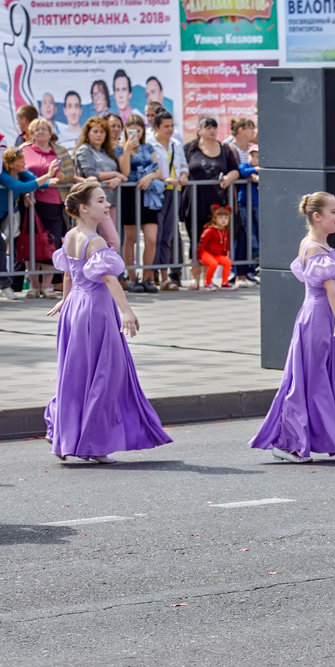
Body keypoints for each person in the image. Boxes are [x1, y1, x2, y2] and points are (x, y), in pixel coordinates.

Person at [249, 192, 335, 463]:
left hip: (324, 318)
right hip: (321, 320)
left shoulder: (315, 245)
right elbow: (329, 287)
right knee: (313, 382)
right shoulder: (313, 247)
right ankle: (289, 444)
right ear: (317, 216)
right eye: (334, 212)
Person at [44, 182, 172, 463]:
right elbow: (108, 278)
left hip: (76, 308)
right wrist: (126, 311)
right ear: (84, 208)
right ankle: (94, 442)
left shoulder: (71, 236)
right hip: (95, 311)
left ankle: (72, 433)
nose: (107, 205)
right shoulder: (95, 241)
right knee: (105, 376)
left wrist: (65, 301)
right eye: (101, 201)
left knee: (77, 375)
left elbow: (68, 275)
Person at [181, 116, 239, 289]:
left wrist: (229, 178)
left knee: (214, 242)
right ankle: (195, 277)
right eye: (207, 127)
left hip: (217, 204)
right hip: (195, 201)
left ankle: (210, 278)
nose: (211, 131)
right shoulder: (189, 148)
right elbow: (182, 169)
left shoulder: (225, 149)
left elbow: (235, 170)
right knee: (195, 241)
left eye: (214, 127)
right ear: (199, 130)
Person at [22, 118, 76, 297]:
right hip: (30, 202)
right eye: (36, 129)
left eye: (44, 129)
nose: (41, 132)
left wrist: (61, 177)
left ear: (50, 132)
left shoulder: (59, 151)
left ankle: (47, 285)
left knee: (51, 243)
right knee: (31, 243)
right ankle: (33, 285)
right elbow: (17, 174)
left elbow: (70, 175)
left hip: (54, 203)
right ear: (30, 132)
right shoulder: (24, 150)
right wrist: (24, 194)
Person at [2, 146, 59, 299]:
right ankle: (4, 285)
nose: (24, 163)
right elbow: (20, 187)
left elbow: (33, 181)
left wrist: (47, 182)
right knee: (1, 246)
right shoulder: (4, 175)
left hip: (6, 216)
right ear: (11, 164)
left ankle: (4, 285)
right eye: (21, 161)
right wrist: (47, 176)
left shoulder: (21, 172)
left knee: (5, 246)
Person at [119, 114, 162, 293]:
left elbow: (158, 169)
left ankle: (147, 277)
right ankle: (131, 277)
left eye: (139, 129)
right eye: (131, 129)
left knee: (151, 238)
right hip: (130, 193)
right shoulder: (120, 148)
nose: (135, 132)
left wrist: (149, 176)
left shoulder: (148, 147)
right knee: (130, 239)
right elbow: (125, 171)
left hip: (148, 193)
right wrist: (127, 150)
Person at [148, 110, 188, 290]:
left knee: (168, 235)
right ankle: (151, 274)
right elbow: (149, 170)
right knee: (155, 235)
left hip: (175, 191)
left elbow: (183, 166)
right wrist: (164, 180)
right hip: (157, 192)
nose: (170, 129)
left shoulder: (176, 144)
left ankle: (164, 276)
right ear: (157, 127)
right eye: (166, 126)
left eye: (172, 126)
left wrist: (184, 174)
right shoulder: (150, 144)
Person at [73, 116, 126, 253]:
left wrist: (118, 178)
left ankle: (107, 272)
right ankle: (102, 272)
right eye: (95, 131)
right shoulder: (84, 150)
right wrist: (115, 174)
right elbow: (90, 173)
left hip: (111, 200)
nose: (99, 135)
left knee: (110, 241)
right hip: (94, 202)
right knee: (113, 241)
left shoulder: (105, 151)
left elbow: (121, 174)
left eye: (102, 132)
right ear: (88, 133)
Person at [235, 144, 260, 287]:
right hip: (244, 202)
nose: (254, 159)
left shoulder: (261, 168)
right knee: (248, 229)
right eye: (252, 155)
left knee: (258, 228)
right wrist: (254, 171)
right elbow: (242, 172)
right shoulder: (245, 165)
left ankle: (257, 256)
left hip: (257, 203)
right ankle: (255, 252)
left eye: (257, 156)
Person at [198, 204, 234, 290]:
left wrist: (225, 253)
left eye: (226, 218)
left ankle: (225, 282)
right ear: (215, 219)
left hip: (216, 254)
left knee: (227, 262)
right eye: (220, 218)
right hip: (206, 253)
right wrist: (199, 256)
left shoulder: (225, 232)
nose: (223, 221)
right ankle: (207, 283)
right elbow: (202, 243)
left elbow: (226, 244)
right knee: (213, 264)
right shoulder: (210, 230)